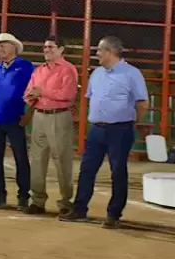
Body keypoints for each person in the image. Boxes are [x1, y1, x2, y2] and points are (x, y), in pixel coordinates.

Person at [59, 36, 147, 228]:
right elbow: (91, 98)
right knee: (87, 169)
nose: (97, 54)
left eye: (100, 50)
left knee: (117, 171)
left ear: (111, 52)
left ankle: (114, 214)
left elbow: (142, 103)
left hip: (120, 129)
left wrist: (133, 122)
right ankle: (80, 209)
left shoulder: (132, 73)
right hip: (97, 129)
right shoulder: (97, 73)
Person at [23, 36, 79, 215]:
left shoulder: (68, 69)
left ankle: (66, 202)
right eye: (45, 47)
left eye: (51, 47)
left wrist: (42, 92)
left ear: (61, 49)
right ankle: (37, 201)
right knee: (37, 160)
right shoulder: (38, 70)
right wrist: (31, 96)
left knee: (62, 160)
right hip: (39, 115)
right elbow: (28, 92)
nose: (47, 50)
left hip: (59, 117)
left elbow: (68, 94)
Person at [0, 33, 34, 211]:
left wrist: (29, 115)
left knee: (21, 158)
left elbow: (34, 91)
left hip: (15, 120)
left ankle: (23, 196)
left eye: (2, 46)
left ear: (14, 47)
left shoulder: (26, 67)